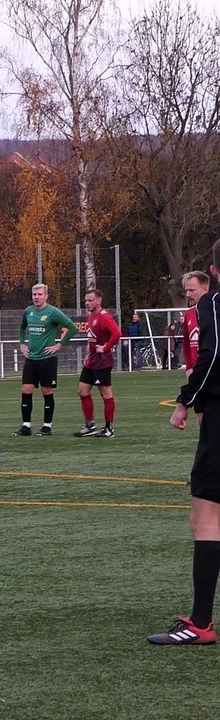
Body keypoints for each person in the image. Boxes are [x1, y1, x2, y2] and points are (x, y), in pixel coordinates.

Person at [150, 239, 220, 645]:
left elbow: (212, 356)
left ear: (213, 272)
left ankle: (201, 625)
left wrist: (185, 400)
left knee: (205, 517)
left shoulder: (212, 305)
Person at [14, 283, 80, 437]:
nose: (36, 297)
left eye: (40, 294)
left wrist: (59, 345)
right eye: (34, 294)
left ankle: (47, 426)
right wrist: (22, 344)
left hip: (47, 359)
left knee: (46, 391)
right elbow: (21, 328)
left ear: (46, 296)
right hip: (31, 359)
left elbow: (73, 328)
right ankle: (26, 426)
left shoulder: (53, 312)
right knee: (26, 390)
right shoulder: (28, 311)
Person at [73, 290, 122, 438]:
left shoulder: (104, 316)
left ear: (98, 301)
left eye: (90, 300)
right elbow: (93, 338)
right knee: (82, 391)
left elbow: (117, 334)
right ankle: (90, 426)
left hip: (102, 362)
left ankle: (109, 428)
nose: (87, 303)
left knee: (106, 394)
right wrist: (89, 351)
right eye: (86, 300)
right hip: (91, 361)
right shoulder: (91, 316)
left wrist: (105, 348)